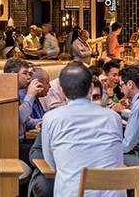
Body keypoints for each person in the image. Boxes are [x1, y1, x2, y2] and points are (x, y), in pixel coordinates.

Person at [40, 63, 124, 197]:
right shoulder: (113, 118)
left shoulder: (50, 118)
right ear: (91, 88)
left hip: (72, 192)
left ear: (62, 91)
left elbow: (51, 162)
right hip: (111, 192)